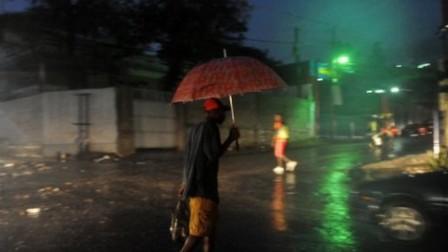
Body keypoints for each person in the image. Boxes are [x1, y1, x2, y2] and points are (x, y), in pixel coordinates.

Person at [178, 98, 240, 252]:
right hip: (203, 191)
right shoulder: (210, 128)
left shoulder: (195, 129)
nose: (224, 116)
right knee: (197, 234)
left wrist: (185, 181)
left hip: (199, 189)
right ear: (213, 112)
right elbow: (213, 154)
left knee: (209, 234)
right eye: (221, 113)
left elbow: (189, 158)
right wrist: (230, 139)